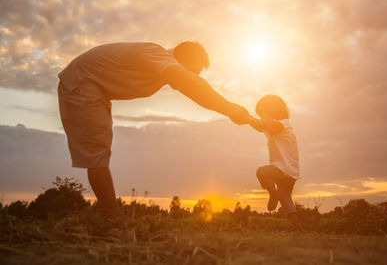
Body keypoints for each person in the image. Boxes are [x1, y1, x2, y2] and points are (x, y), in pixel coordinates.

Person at [58, 41, 249, 219]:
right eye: (194, 71)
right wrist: (230, 109)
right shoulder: (157, 54)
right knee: (97, 153)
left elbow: (191, 84)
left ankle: (111, 217)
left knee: (99, 151)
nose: (194, 76)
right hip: (81, 83)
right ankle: (113, 221)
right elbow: (191, 84)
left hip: (93, 87)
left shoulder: (160, 65)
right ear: (186, 59)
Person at [248, 95, 299, 222]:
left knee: (261, 172)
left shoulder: (282, 124)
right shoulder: (276, 125)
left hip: (283, 169)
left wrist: (251, 119)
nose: (261, 118)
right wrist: (248, 120)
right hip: (291, 173)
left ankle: (273, 193)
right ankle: (296, 225)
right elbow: (260, 126)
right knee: (286, 200)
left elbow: (267, 125)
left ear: (273, 112)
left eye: (263, 115)